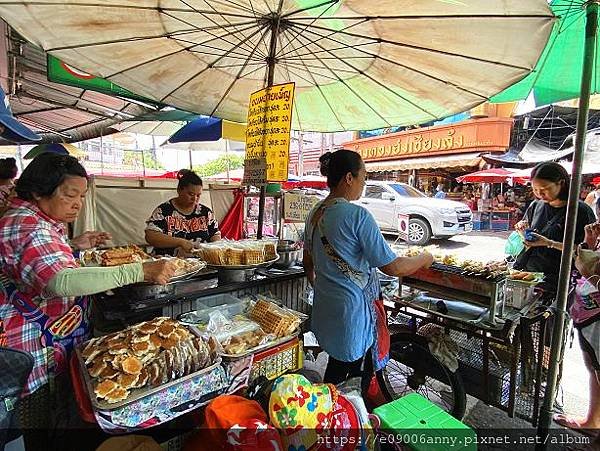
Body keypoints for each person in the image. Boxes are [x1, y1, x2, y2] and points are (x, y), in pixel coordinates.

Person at [0, 153, 177, 448]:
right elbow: (61, 280)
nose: (78, 203)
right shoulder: (26, 225)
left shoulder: (37, 218)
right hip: (27, 351)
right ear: (38, 190)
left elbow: (35, 260)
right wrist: (138, 270)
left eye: (82, 196)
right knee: (32, 432)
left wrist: (72, 245)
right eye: (70, 195)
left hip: (48, 343)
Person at [303, 150, 433, 390]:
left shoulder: (314, 212)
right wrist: (425, 257)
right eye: (363, 176)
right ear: (349, 178)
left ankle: (329, 411)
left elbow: (308, 264)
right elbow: (393, 266)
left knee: (337, 366)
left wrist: (326, 288)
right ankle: (344, 418)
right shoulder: (357, 215)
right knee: (349, 381)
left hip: (327, 308)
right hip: (351, 314)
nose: (365, 183)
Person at [514, 162, 596, 293]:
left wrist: (549, 243)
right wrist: (522, 231)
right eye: (535, 189)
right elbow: (527, 232)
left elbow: (585, 253)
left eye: (544, 189)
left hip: (559, 280)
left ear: (561, 183)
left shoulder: (580, 211)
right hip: (530, 274)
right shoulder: (536, 205)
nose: (539, 193)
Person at [145, 169, 221, 256]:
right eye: (191, 194)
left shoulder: (205, 213)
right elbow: (150, 236)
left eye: (198, 195)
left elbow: (215, 234)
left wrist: (215, 247)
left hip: (201, 263)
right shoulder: (164, 211)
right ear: (179, 190)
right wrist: (180, 242)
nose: (195, 199)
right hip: (169, 264)